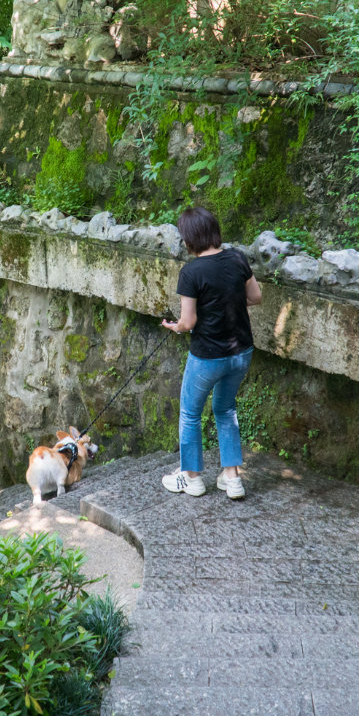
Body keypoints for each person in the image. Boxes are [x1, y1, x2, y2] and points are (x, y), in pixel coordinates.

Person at [159, 207, 263, 499]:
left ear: (190, 239)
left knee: (190, 414)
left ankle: (191, 478)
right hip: (241, 352)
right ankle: (232, 479)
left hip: (207, 357)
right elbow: (255, 297)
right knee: (226, 410)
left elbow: (188, 322)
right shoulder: (237, 258)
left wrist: (174, 326)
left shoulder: (191, 272)